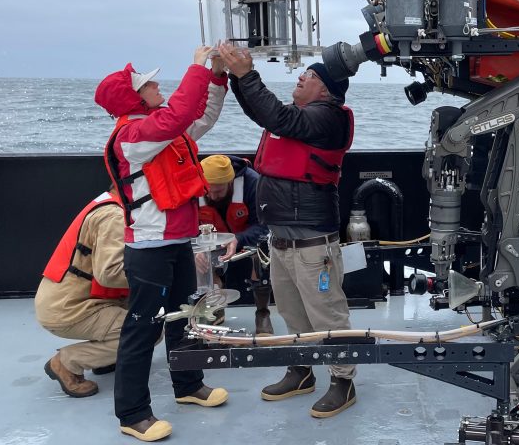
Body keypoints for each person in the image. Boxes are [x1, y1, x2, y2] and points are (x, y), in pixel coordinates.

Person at [94, 47, 230, 442]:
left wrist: (217, 78)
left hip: (179, 240)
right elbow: (181, 115)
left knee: (187, 315)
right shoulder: (133, 136)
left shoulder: (163, 130)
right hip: (150, 247)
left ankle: (188, 386)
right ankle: (132, 413)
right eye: (148, 84)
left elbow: (200, 115)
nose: (156, 86)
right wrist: (197, 67)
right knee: (141, 328)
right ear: (134, 98)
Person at [219, 42, 357, 418]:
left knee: (327, 314)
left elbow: (278, 118)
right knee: (292, 314)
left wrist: (248, 74)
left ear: (325, 90)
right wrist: (235, 76)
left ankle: (343, 380)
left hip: (314, 245)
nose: (300, 77)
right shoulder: (299, 115)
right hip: (280, 240)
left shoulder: (328, 117)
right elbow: (263, 113)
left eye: (308, 76)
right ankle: (301, 371)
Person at [36, 188, 128, 398]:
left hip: (64, 299)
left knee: (139, 312)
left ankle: (105, 358)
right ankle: (67, 362)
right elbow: (110, 274)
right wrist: (160, 273)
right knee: (148, 329)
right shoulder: (114, 216)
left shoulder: (108, 203)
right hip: (69, 309)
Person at [198, 154, 272, 334]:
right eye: (209, 191)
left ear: (230, 182)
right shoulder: (194, 187)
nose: (213, 197)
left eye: (219, 191)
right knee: (200, 262)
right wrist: (197, 250)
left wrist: (238, 239)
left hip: (248, 237)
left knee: (261, 257)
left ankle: (262, 313)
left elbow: (264, 226)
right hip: (212, 239)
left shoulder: (253, 183)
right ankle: (215, 308)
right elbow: (186, 225)